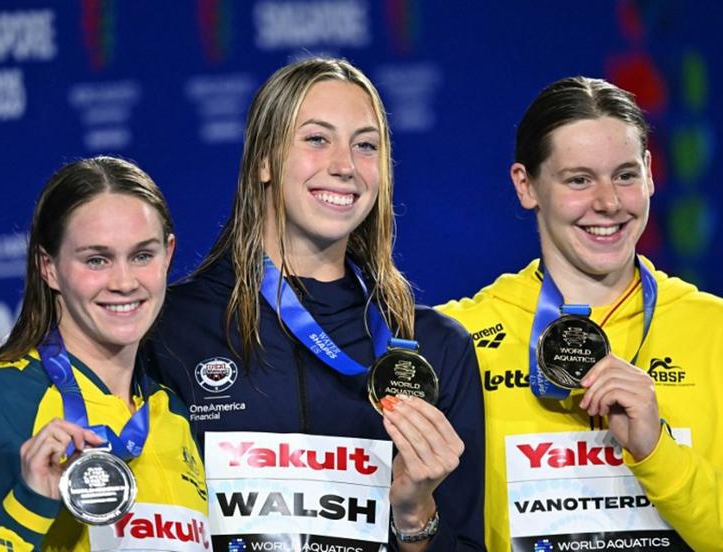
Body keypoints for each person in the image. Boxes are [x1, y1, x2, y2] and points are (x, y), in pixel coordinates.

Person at [145, 57, 484, 549]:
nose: (344, 166)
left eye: (365, 145)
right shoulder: (171, 328)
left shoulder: (433, 348)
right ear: (263, 159)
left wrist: (415, 513)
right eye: (316, 139)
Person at [437, 77, 723, 550]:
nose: (609, 203)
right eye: (579, 179)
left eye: (625, 175)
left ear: (650, 174)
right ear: (526, 185)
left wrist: (655, 452)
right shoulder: (458, 341)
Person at [0, 157, 210, 550]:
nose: (124, 282)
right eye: (96, 260)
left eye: (141, 255)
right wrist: (26, 506)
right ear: (48, 267)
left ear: (168, 255)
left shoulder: (172, 414)